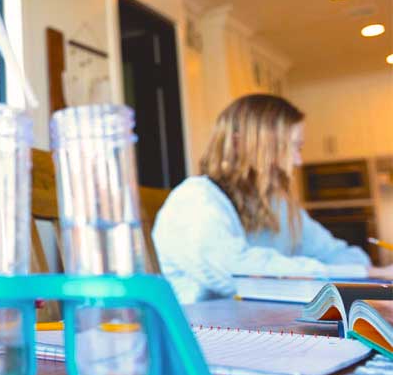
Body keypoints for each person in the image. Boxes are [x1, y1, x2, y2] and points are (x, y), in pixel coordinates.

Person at [153, 93, 393, 303]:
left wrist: (372, 271)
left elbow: (333, 252)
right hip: (203, 339)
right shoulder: (195, 199)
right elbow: (237, 273)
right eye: (291, 147)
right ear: (240, 144)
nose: (298, 161)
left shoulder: (276, 205)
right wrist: (367, 272)